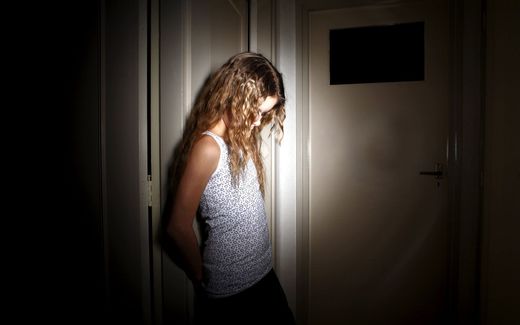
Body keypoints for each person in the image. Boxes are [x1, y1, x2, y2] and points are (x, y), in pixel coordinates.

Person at [166, 52, 296, 324]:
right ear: (234, 96)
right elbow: (177, 227)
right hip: (231, 294)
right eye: (255, 111)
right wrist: (200, 275)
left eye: (264, 113)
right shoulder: (207, 148)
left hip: (263, 274)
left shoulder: (241, 136)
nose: (258, 121)